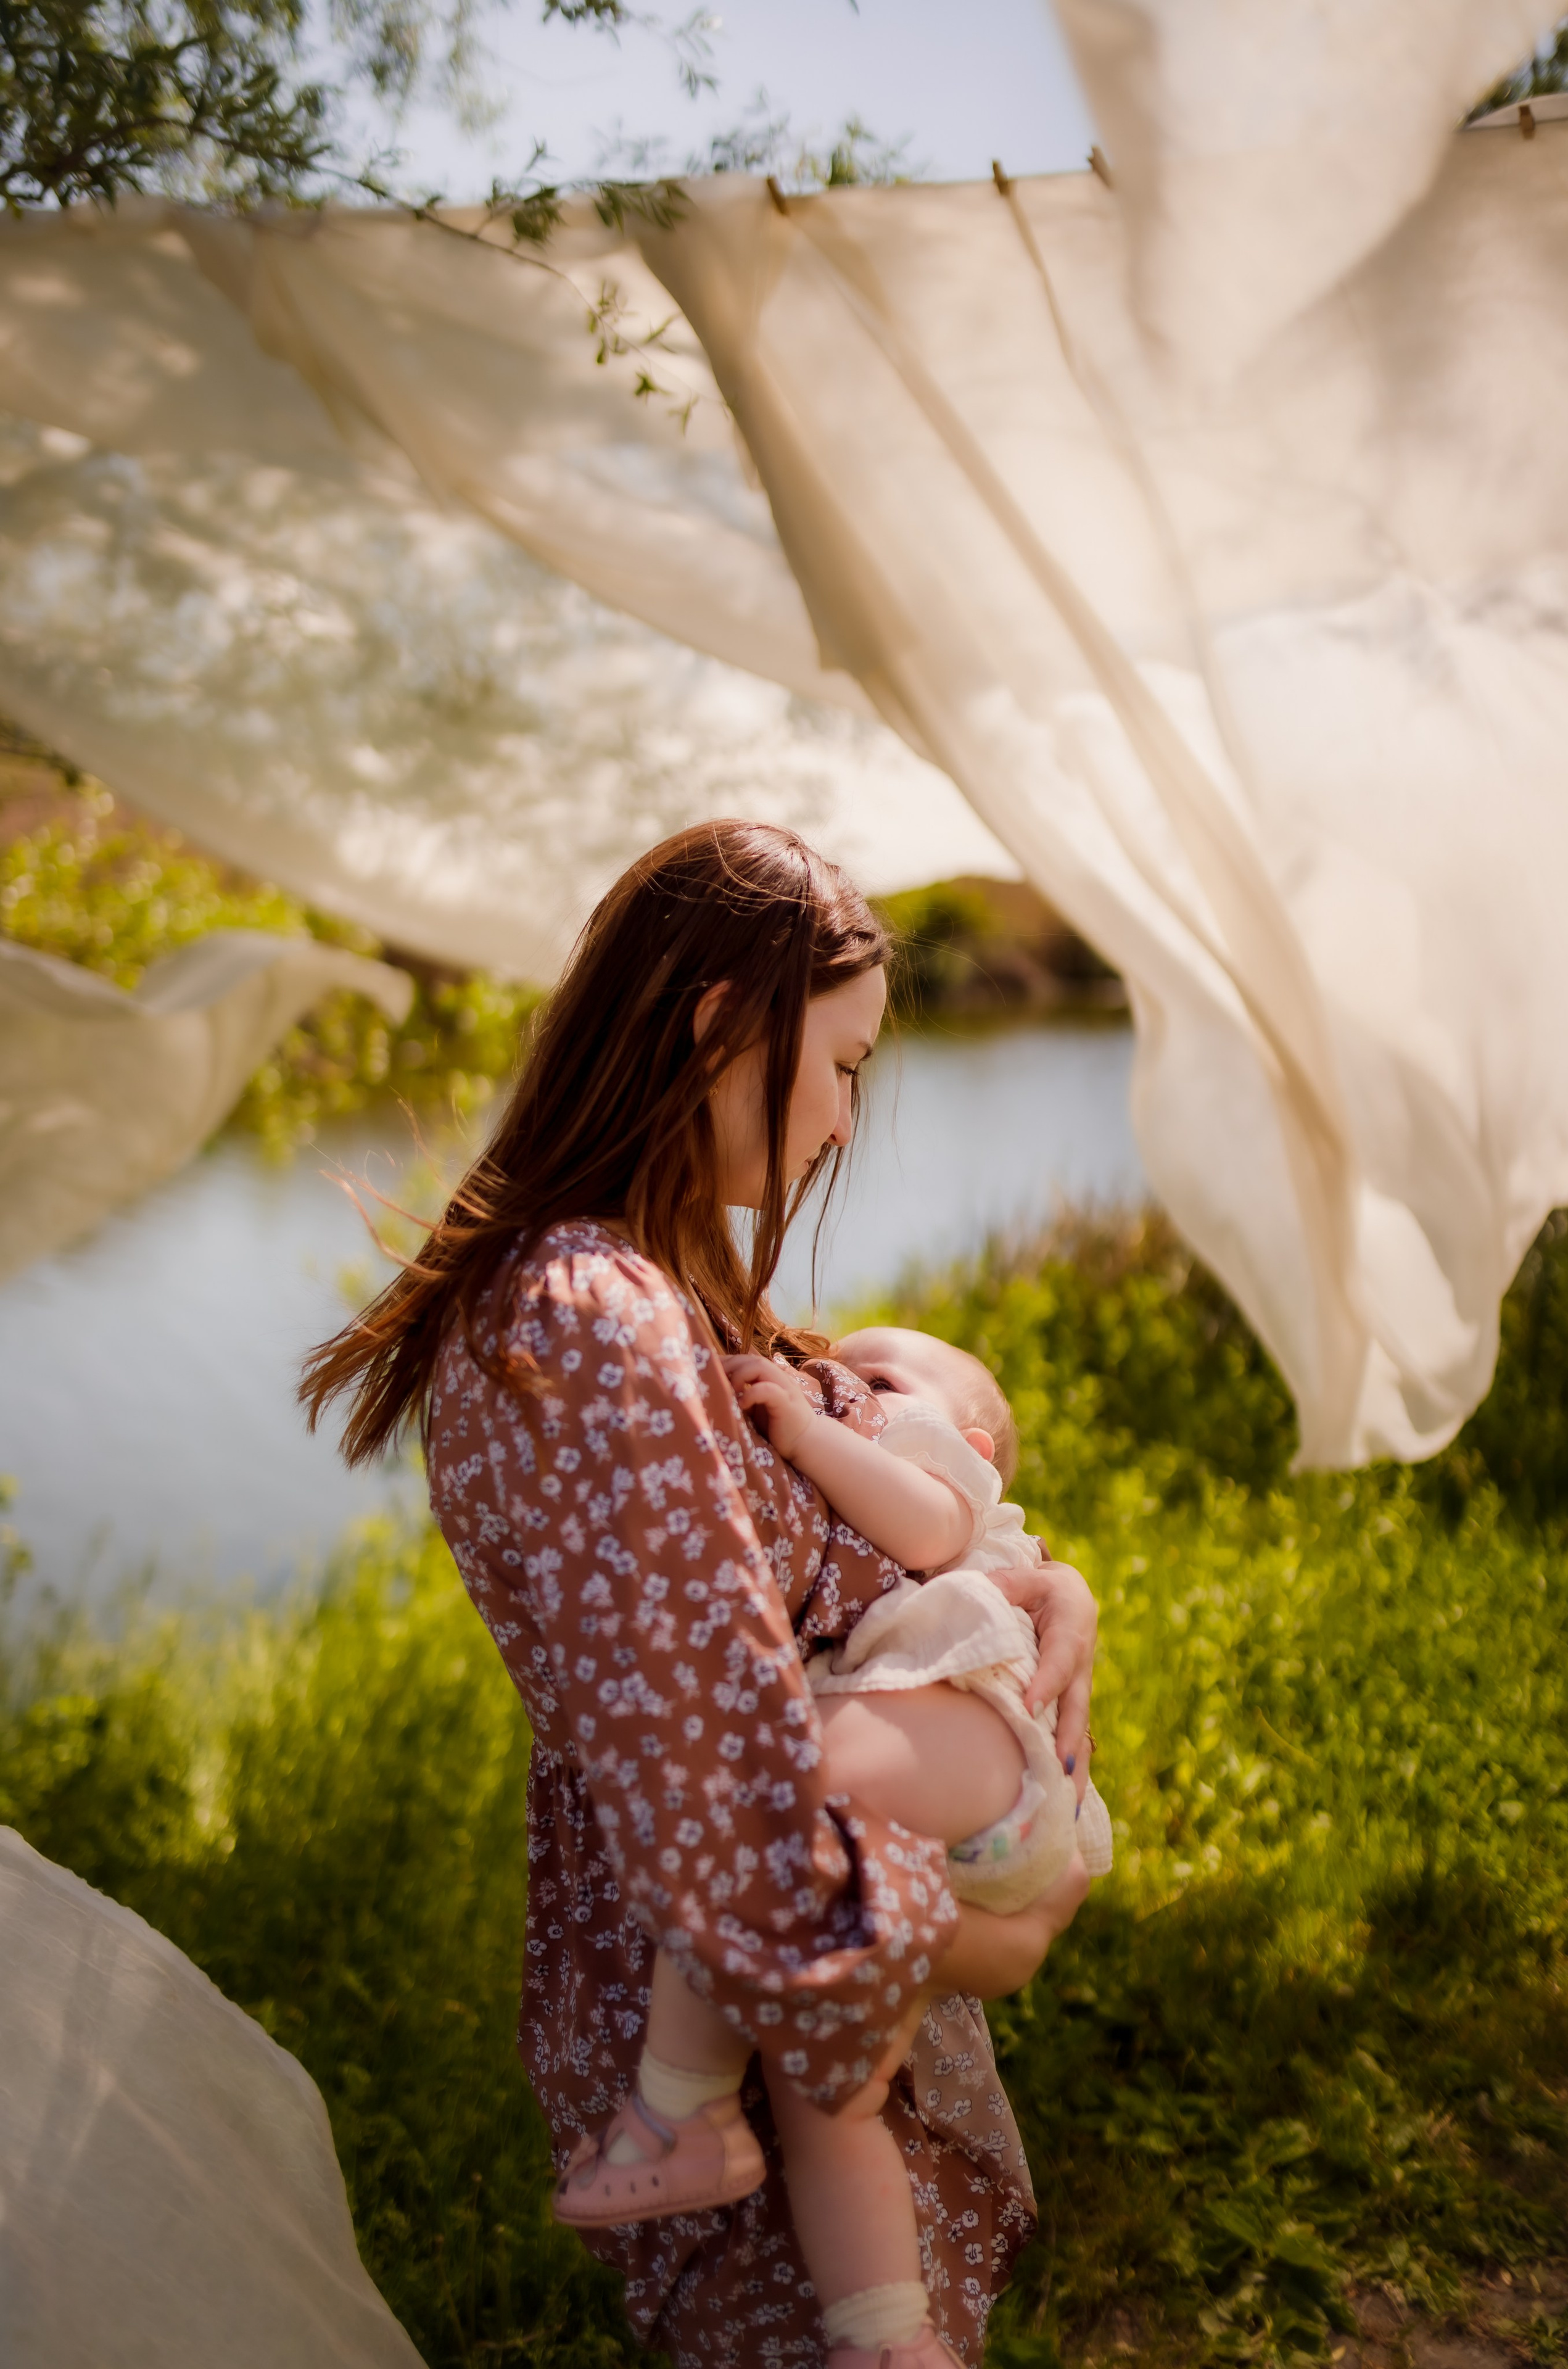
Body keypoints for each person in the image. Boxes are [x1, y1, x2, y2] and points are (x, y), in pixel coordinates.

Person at [300, 819, 1099, 2369]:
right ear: (724, 1024)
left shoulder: (660, 1287)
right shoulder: (589, 1322)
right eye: (844, 1065)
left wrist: (1055, 1598)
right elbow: (721, 1768)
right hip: (753, 1996)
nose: (848, 1125)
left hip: (788, 1970)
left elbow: (901, 1537)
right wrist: (989, 1930)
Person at [552, 1321, 1113, 2369]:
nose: (849, 1384)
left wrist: (810, 1430)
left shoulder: (926, 1460)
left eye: (881, 1377)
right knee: (830, 2095)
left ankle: (677, 2106)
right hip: (954, 1788)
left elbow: (934, 1529)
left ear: (976, 1449)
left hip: (969, 1742)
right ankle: (887, 2334)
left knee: (750, 1804)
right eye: (841, 1373)